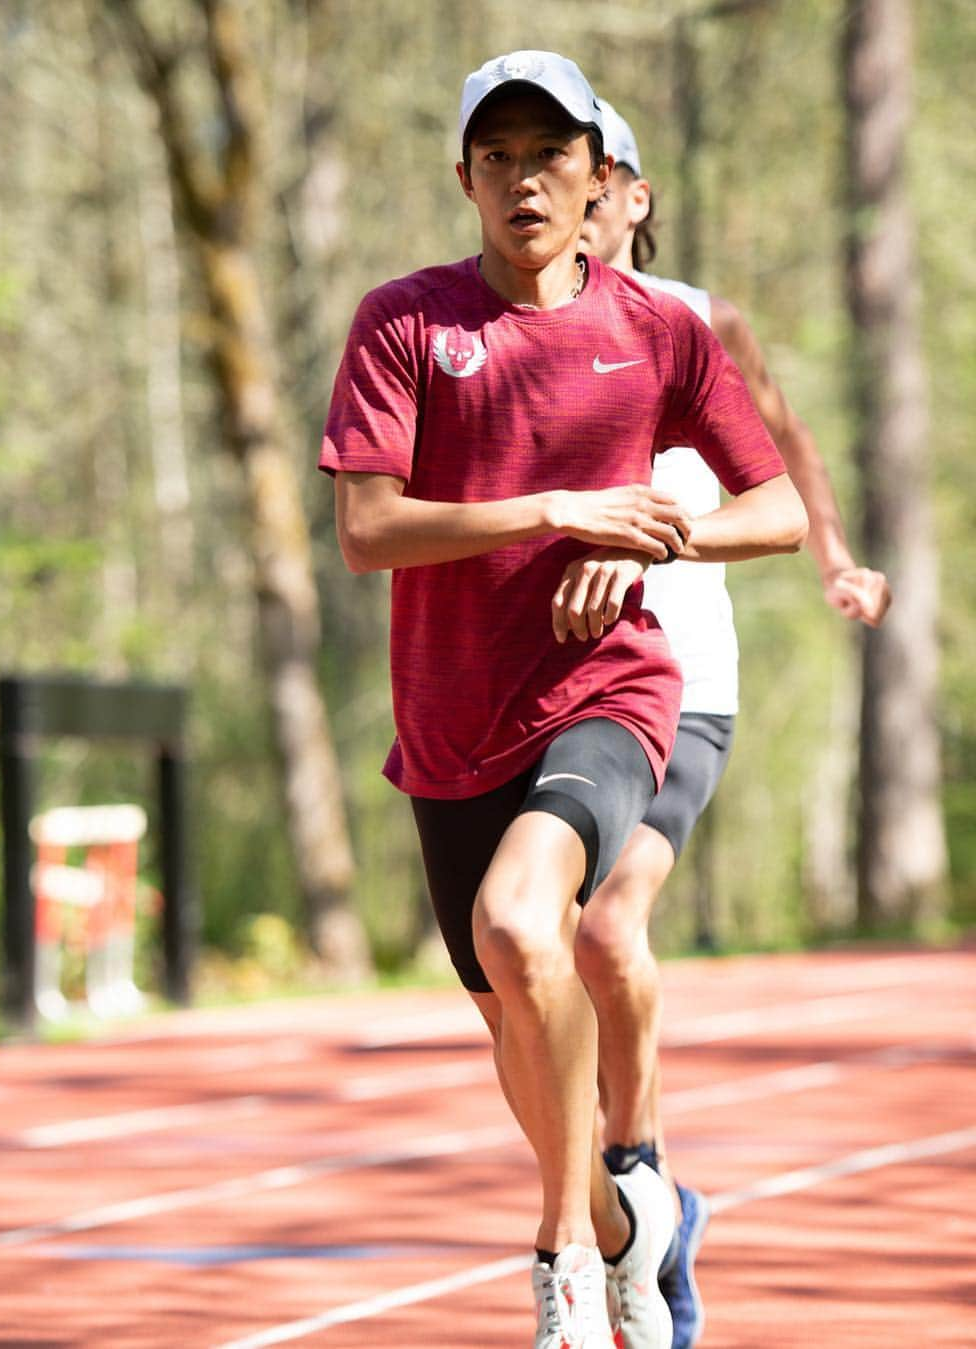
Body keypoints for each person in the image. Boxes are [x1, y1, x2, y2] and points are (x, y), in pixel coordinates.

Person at [320, 50, 807, 1349]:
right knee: (517, 1018)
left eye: (549, 154)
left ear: (602, 179)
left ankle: (563, 1263)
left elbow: (781, 508)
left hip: (610, 689)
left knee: (527, 924)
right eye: (496, 156)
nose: (522, 178)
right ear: (463, 178)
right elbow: (367, 531)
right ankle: (614, 1222)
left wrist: (651, 537)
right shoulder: (406, 324)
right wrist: (553, 510)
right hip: (446, 723)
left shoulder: (659, 330)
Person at [575, 100, 892, 1349]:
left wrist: (837, 557)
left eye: (594, 179)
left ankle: (643, 1186)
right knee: (534, 953)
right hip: (556, 689)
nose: (571, 200)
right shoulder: (526, 331)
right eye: (549, 175)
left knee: (608, 929)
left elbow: (785, 441)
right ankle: (604, 1211)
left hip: (686, 676)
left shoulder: (699, 318)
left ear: (637, 196)